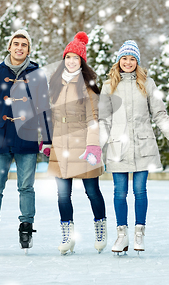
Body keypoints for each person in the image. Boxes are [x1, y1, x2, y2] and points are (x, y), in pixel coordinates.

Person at [0, 29, 52, 254]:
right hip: (0, 138)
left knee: (26, 187)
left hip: (27, 139)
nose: (19, 48)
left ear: (28, 49)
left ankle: (26, 228)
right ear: (9, 47)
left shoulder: (37, 75)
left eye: (24, 45)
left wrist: (48, 138)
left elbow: (44, 109)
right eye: (16, 43)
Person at [99, 40, 169, 254]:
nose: (128, 62)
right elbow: (104, 120)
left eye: (132, 59)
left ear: (137, 62)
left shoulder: (148, 84)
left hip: (143, 145)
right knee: (119, 192)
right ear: (118, 61)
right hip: (117, 147)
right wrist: (96, 146)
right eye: (125, 58)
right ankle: (121, 236)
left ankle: (139, 232)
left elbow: (159, 114)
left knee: (140, 190)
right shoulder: (108, 86)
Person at [47, 32, 106, 255]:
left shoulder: (88, 86)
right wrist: (46, 141)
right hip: (60, 146)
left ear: (82, 61)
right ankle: (67, 236)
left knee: (92, 191)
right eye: (68, 57)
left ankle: (100, 227)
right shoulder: (55, 83)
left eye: (76, 58)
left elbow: (94, 119)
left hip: (83, 146)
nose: (71, 61)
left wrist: (92, 146)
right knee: (63, 195)